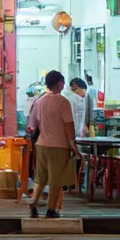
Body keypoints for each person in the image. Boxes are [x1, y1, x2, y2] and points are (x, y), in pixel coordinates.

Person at [29, 70, 79, 219]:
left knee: (41, 177)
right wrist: (73, 144)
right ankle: (51, 209)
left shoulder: (39, 101)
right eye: (63, 83)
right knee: (56, 180)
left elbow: (34, 123)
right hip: (58, 146)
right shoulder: (63, 102)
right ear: (59, 83)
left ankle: (34, 201)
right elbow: (69, 125)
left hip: (41, 145)